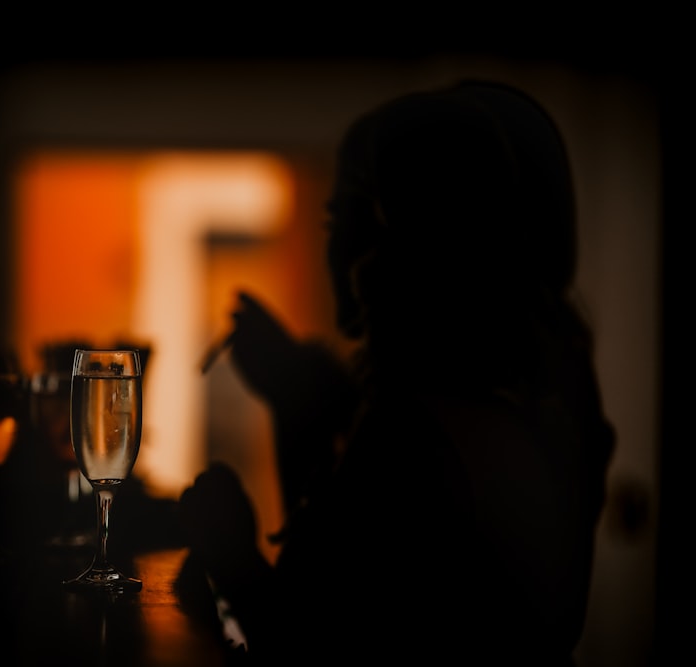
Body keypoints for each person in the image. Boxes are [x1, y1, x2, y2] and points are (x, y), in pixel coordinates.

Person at [176, 80, 616, 665]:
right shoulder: (531, 404)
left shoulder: (416, 435)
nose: (344, 255)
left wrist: (229, 548)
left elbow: (315, 639)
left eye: (349, 221)